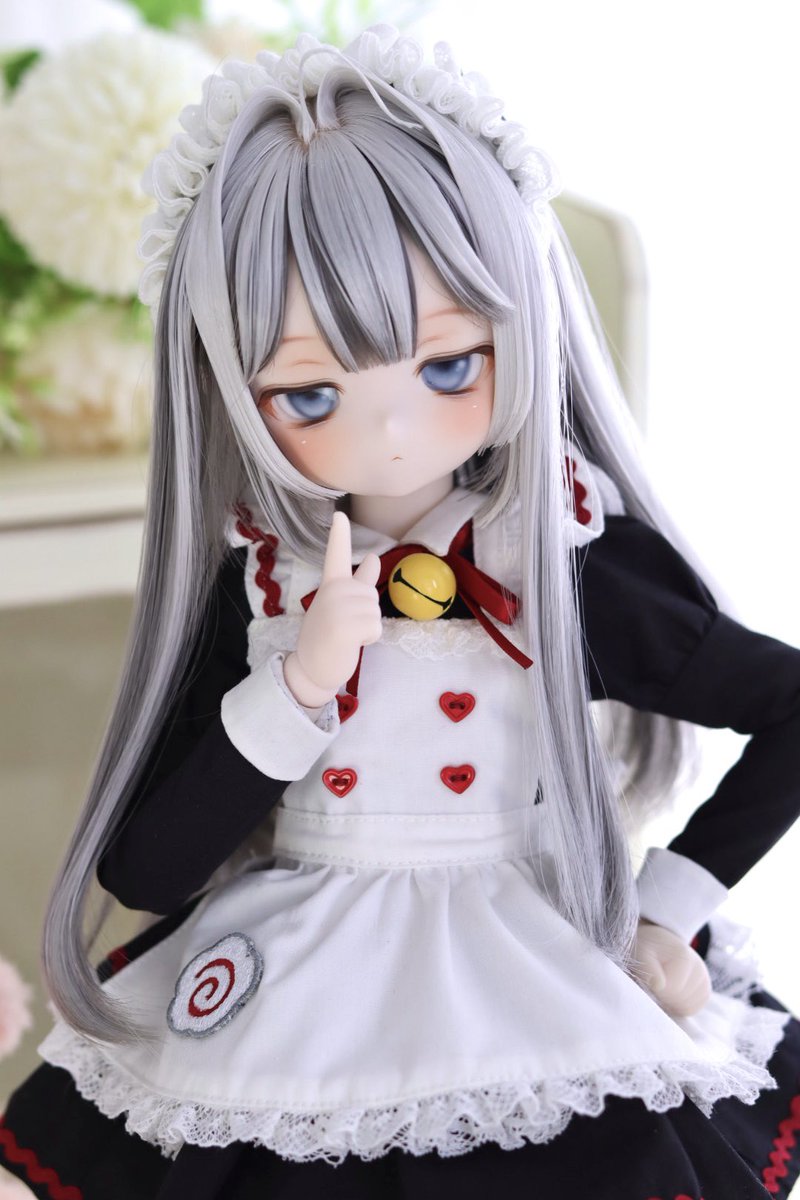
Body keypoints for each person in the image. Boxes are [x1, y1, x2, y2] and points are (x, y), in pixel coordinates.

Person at [1, 25, 800, 1200]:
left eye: (445, 367)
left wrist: (667, 910)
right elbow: (150, 865)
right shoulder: (265, 578)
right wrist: (297, 689)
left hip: (528, 960)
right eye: (310, 393)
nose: (386, 433)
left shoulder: (559, 557)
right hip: (301, 973)